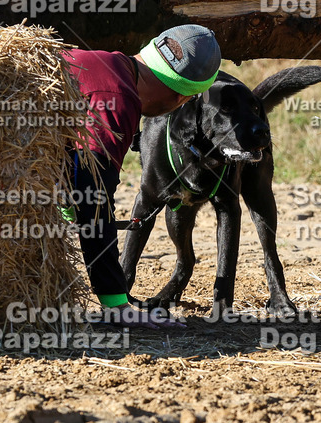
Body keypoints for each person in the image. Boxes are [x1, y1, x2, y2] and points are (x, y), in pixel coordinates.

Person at [61, 24, 221, 327]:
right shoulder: (118, 100)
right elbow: (93, 199)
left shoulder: (103, 61)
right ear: (179, 97)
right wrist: (117, 304)